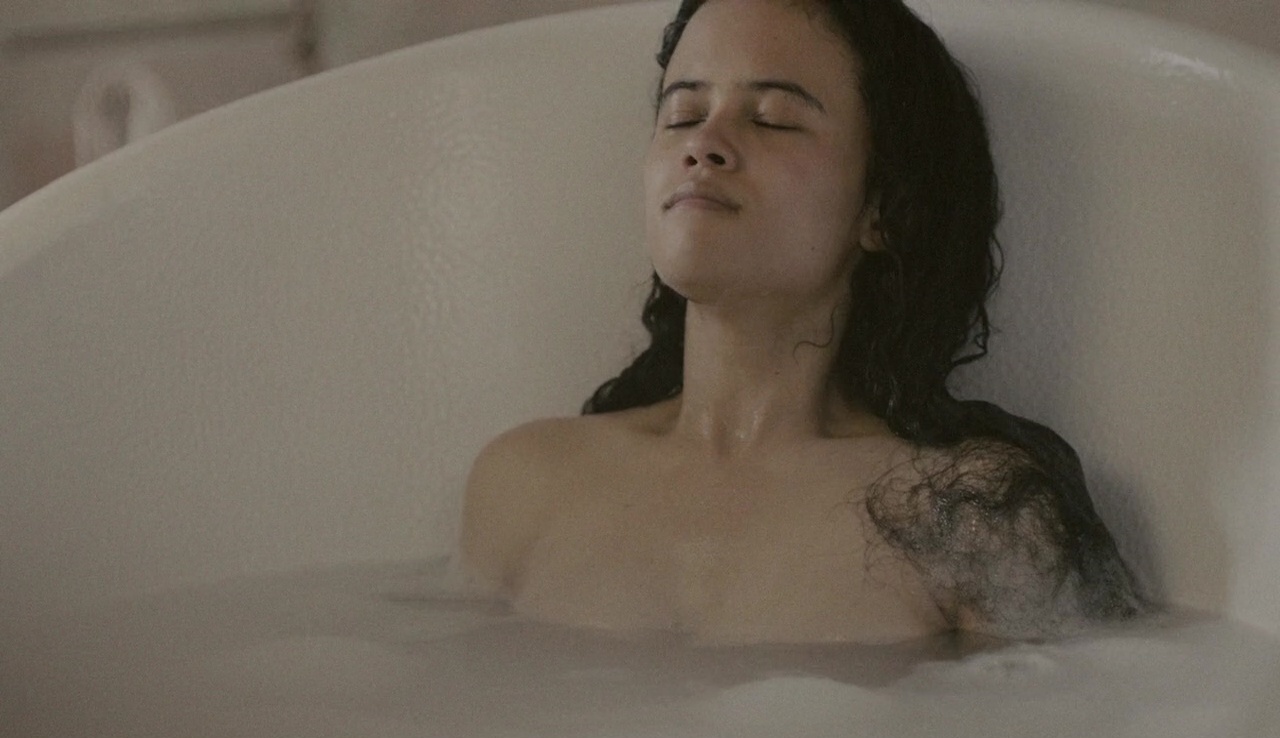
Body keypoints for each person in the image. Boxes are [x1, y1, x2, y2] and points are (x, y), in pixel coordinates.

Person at [460, 0, 1146, 644]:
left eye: (772, 119)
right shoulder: (524, 484)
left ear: (882, 209)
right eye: (683, 113)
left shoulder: (972, 517)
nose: (704, 143)